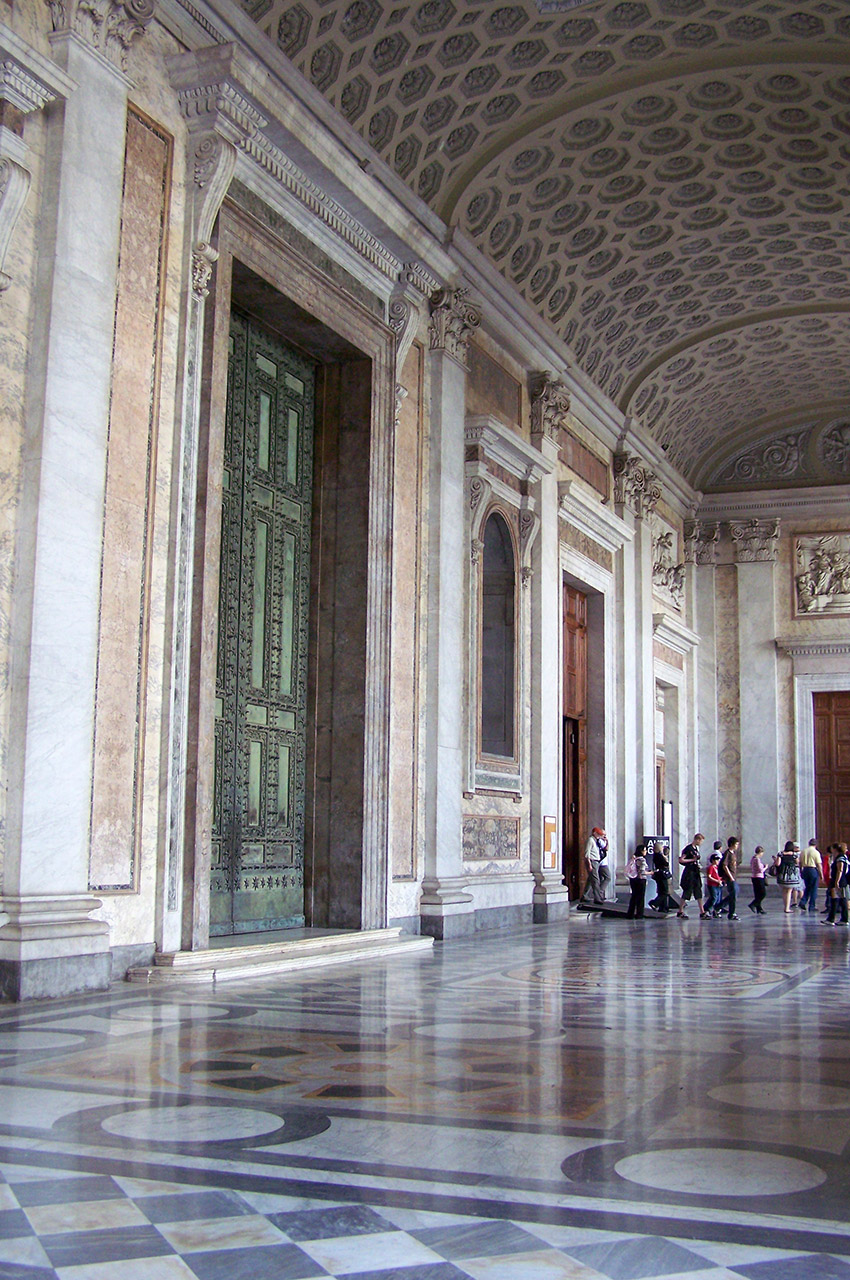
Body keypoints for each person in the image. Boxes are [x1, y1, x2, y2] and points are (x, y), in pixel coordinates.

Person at [677, 833, 705, 919]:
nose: (701, 843)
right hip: (689, 873)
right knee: (687, 891)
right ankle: (680, 910)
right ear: (697, 840)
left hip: (695, 872)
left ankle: (702, 911)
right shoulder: (688, 849)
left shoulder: (696, 849)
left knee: (698, 891)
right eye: (701, 841)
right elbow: (681, 860)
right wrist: (692, 860)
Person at [581, 827, 609, 905]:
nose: (599, 836)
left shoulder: (596, 841)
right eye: (598, 834)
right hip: (592, 861)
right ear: (594, 833)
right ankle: (597, 898)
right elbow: (587, 853)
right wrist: (589, 864)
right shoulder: (590, 840)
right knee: (596, 880)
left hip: (596, 861)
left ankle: (585, 895)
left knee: (591, 879)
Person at [823, 843, 850, 926]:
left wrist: (837, 881)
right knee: (842, 900)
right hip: (841, 881)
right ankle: (843, 919)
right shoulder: (843, 857)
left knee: (835, 900)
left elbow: (840, 870)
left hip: (839, 882)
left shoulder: (840, 859)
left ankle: (831, 919)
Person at [773, 841, 802, 913]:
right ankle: (787, 907)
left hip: (782, 874)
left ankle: (785, 906)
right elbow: (797, 862)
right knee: (789, 891)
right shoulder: (794, 855)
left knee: (784, 891)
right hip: (791, 875)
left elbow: (777, 863)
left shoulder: (781, 854)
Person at [648, 840, 674, 914]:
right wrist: (664, 857)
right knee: (665, 891)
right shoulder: (659, 856)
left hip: (659, 875)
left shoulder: (655, 855)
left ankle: (663, 908)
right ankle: (654, 903)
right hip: (662, 875)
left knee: (661, 891)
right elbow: (666, 863)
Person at [718, 836, 740, 920]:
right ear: (732, 844)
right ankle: (732, 913)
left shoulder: (733, 853)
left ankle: (718, 907)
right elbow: (724, 865)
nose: (737, 846)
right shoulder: (727, 853)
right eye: (736, 844)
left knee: (733, 894)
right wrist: (730, 877)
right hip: (730, 878)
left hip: (733, 877)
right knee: (733, 895)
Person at [625, 844, 650, 918]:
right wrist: (650, 873)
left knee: (634, 896)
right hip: (641, 879)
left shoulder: (633, 859)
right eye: (645, 850)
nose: (646, 852)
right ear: (641, 851)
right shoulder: (642, 860)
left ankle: (630, 913)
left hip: (633, 879)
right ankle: (639, 914)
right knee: (640, 898)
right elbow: (642, 871)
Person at [799, 838, 822, 913]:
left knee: (807, 887)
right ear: (816, 844)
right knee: (814, 889)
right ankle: (812, 905)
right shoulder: (816, 852)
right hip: (813, 870)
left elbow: (800, 863)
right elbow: (818, 864)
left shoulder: (803, 851)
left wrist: (801, 871)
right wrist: (821, 874)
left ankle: (803, 901)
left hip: (805, 869)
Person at [748, 845, 767, 914]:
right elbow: (760, 870)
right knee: (763, 893)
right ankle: (753, 904)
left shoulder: (753, 859)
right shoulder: (757, 859)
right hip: (759, 877)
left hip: (754, 877)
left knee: (757, 893)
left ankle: (759, 908)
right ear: (760, 852)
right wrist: (766, 867)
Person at [704, 853, 723, 917]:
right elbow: (709, 876)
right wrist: (716, 881)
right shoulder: (711, 867)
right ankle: (707, 909)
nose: (718, 861)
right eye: (716, 860)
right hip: (712, 884)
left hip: (718, 884)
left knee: (718, 898)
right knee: (714, 897)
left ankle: (715, 910)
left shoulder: (717, 868)